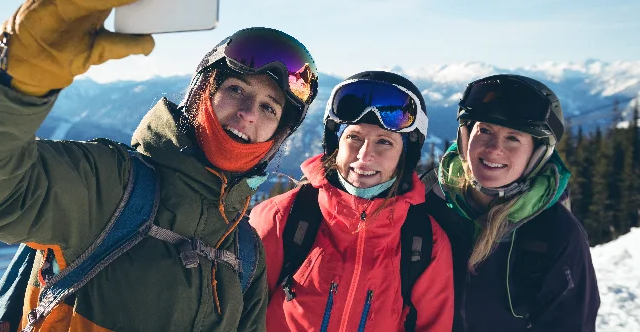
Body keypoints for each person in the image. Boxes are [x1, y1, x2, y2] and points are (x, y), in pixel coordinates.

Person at [0, 0, 319, 331]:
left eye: (269, 108)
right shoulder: (108, 187)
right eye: (236, 89)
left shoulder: (244, 253)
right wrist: (11, 81)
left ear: (279, 135)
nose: (249, 112)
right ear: (202, 92)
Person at [250, 71, 454, 332]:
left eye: (384, 142)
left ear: (405, 155)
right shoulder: (282, 218)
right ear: (336, 145)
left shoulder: (425, 242)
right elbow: (241, 317)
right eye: (353, 138)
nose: (365, 155)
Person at [421, 74, 600, 331]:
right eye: (484, 131)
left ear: (535, 154)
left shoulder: (556, 234)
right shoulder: (425, 203)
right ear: (465, 136)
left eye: (513, 138)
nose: (494, 149)